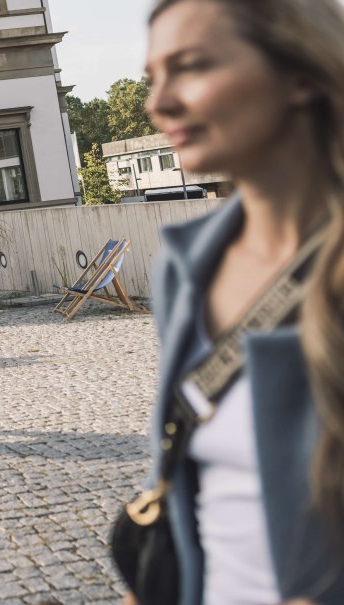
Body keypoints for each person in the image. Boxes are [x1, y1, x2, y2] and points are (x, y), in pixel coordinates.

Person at [128, 1, 344, 603]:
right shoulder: (185, 265)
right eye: (152, 78)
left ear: (300, 73)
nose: (158, 102)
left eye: (190, 67)